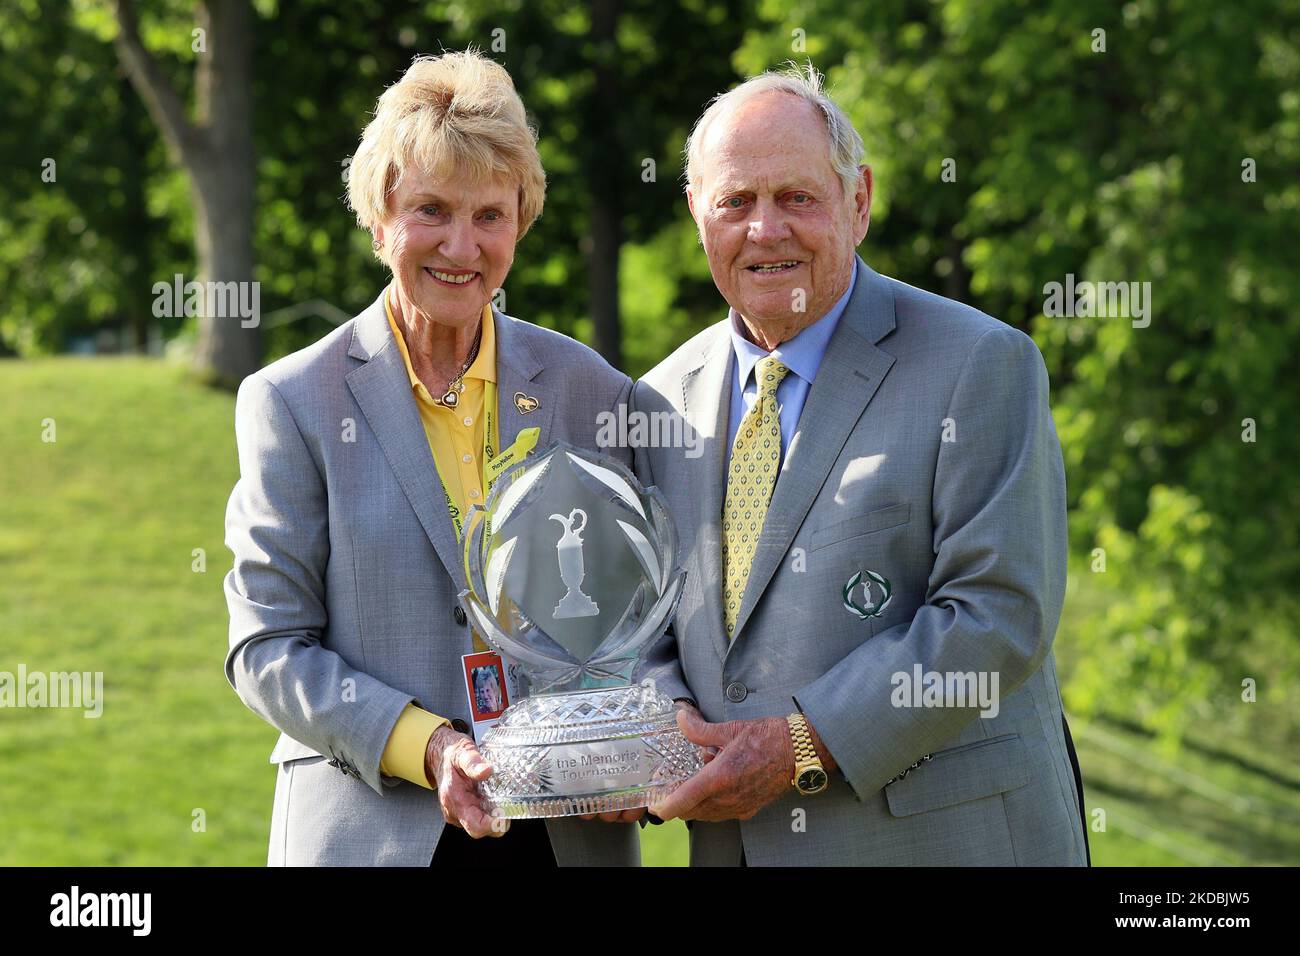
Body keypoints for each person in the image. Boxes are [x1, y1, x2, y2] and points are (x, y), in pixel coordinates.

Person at [634, 64, 1089, 866]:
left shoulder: (979, 363)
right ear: (697, 214)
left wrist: (802, 744)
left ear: (860, 201)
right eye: (735, 201)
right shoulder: (655, 402)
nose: (765, 230)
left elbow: (997, 615)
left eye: (797, 198)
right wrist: (672, 731)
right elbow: (644, 625)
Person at [223, 50, 639, 866]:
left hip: (565, 835)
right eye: (431, 210)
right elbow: (267, 648)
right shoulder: (294, 401)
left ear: (521, 221)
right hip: (372, 829)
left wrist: (632, 735)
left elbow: (638, 614)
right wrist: (431, 746)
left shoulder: (591, 390)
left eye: (490, 214)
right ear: (380, 218)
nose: (462, 245)